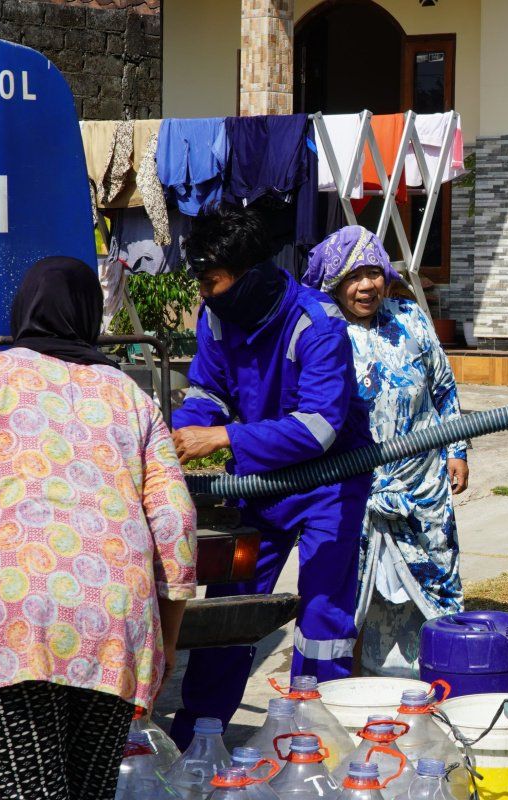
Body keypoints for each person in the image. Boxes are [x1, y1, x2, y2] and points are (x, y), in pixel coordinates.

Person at [0, 257, 197, 800]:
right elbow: (176, 522)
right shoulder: (133, 399)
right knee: (88, 791)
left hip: (19, 618)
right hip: (117, 621)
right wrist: (162, 642)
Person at [169, 206, 372, 746]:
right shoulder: (216, 316)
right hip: (259, 486)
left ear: (249, 275)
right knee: (231, 610)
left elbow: (318, 428)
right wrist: (182, 435)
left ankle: (317, 740)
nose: (205, 294)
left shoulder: (317, 323)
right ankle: (199, 738)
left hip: (330, 484)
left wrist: (224, 439)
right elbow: (206, 392)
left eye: (212, 282)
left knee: (323, 614)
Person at [303, 226, 468, 677]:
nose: (366, 286)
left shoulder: (410, 317)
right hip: (356, 488)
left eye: (374, 273)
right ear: (334, 281)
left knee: (435, 587)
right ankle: (350, 686)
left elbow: (442, 386)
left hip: (424, 484)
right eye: (354, 276)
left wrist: (457, 449)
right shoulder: (322, 331)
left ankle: (441, 679)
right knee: (355, 593)